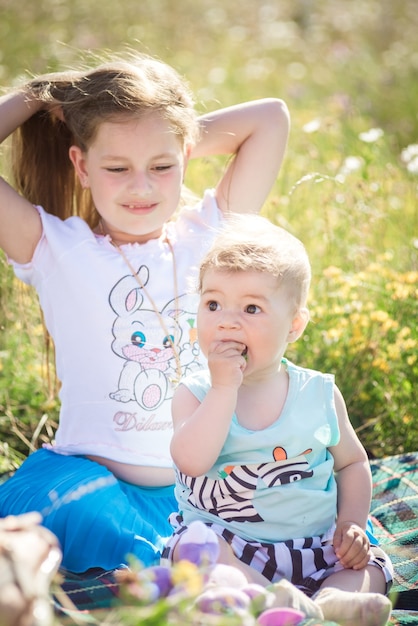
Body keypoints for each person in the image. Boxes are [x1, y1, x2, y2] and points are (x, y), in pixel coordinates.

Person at [0, 52, 290, 575]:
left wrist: (166, 131)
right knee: (89, 507)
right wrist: (37, 94)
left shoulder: (209, 234)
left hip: (196, 491)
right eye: (117, 167)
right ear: (82, 166)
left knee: (269, 506)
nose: (142, 186)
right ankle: (201, 577)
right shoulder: (54, 248)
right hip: (96, 485)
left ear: (183, 156)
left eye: (162, 167)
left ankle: (248, 587)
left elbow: (271, 118)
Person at [163, 214, 394, 626]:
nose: (227, 320)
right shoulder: (195, 392)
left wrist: (351, 524)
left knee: (370, 565)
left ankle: (332, 603)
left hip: (315, 545)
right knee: (194, 549)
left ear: (294, 327)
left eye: (251, 308)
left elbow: (352, 463)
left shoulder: (317, 393)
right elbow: (191, 461)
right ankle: (268, 600)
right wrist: (223, 390)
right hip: (230, 543)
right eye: (213, 303)